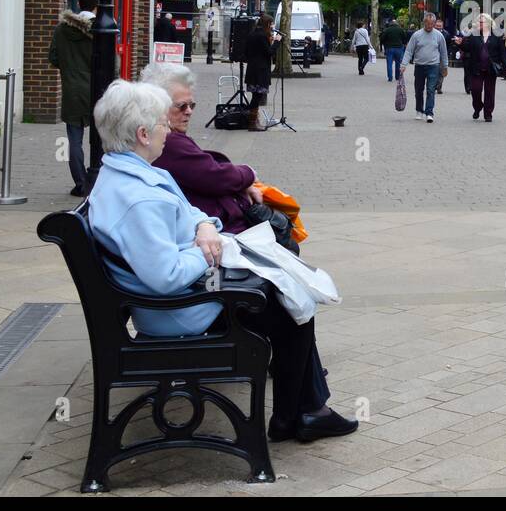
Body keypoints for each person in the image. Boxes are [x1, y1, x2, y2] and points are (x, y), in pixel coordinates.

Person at [87, 80, 354, 444]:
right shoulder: (139, 200)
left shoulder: (129, 173)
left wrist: (204, 226)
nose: (169, 130)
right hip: (179, 311)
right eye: (163, 123)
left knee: (287, 292)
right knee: (293, 307)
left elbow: (189, 211)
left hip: (182, 294)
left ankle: (303, 413)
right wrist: (207, 250)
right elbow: (165, 277)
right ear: (143, 134)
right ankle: (297, 416)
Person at [141, 62, 264, 232]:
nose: (189, 111)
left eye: (192, 105)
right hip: (220, 230)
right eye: (181, 106)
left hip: (212, 225)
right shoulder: (168, 142)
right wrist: (248, 173)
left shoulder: (167, 139)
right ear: (158, 106)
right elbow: (215, 176)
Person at [49, 0, 97, 197]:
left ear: (79, 5)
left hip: (71, 90)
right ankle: (97, 180)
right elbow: (111, 64)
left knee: (74, 140)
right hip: (97, 91)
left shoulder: (62, 30)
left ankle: (80, 183)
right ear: (97, 6)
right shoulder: (101, 28)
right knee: (101, 139)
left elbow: (53, 58)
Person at [402, 12, 448, 122]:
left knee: (431, 89)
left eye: (432, 23)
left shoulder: (439, 36)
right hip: (419, 66)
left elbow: (443, 52)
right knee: (419, 90)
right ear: (424, 23)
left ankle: (429, 112)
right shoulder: (416, 35)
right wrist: (404, 64)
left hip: (434, 66)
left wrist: (445, 66)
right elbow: (409, 51)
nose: (430, 26)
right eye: (428, 23)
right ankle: (419, 110)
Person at [460, 13, 506, 122]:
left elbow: (502, 52)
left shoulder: (497, 36)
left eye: (481, 22)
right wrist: (460, 44)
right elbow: (467, 48)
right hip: (476, 68)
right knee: (475, 89)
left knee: (489, 92)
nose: (479, 23)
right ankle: (478, 107)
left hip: (491, 68)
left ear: (489, 23)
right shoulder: (474, 35)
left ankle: (488, 113)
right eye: (478, 22)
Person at [244, 14, 279, 132]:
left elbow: (247, 52)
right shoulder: (262, 36)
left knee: (255, 96)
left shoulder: (251, 34)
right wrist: (277, 43)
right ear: (268, 24)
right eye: (271, 24)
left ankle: (254, 120)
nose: (272, 26)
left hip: (252, 69)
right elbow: (269, 53)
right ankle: (252, 123)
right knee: (257, 96)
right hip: (261, 70)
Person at [381, 17, 409, 82]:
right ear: (397, 24)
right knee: (398, 63)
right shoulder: (400, 30)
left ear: (391, 24)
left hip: (389, 48)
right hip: (399, 48)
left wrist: (385, 44)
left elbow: (382, 38)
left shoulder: (387, 30)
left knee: (389, 63)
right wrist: (403, 43)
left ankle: (390, 77)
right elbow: (405, 38)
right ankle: (397, 77)